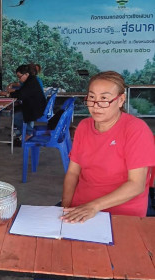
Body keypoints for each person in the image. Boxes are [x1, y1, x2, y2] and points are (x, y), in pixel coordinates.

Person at [61, 71, 155, 223]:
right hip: (80, 208)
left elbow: (136, 184)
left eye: (104, 99)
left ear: (121, 100)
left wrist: (93, 207)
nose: (96, 106)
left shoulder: (136, 130)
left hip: (122, 213)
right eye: (92, 98)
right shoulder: (84, 127)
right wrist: (65, 207)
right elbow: (73, 173)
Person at [0, 64, 46, 144]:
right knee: (15, 110)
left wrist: (7, 94)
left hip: (36, 108)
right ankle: (24, 132)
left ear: (26, 74)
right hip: (33, 105)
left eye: (19, 76)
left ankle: (28, 133)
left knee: (17, 116)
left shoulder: (31, 82)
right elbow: (21, 92)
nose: (19, 79)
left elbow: (21, 95)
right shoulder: (30, 80)